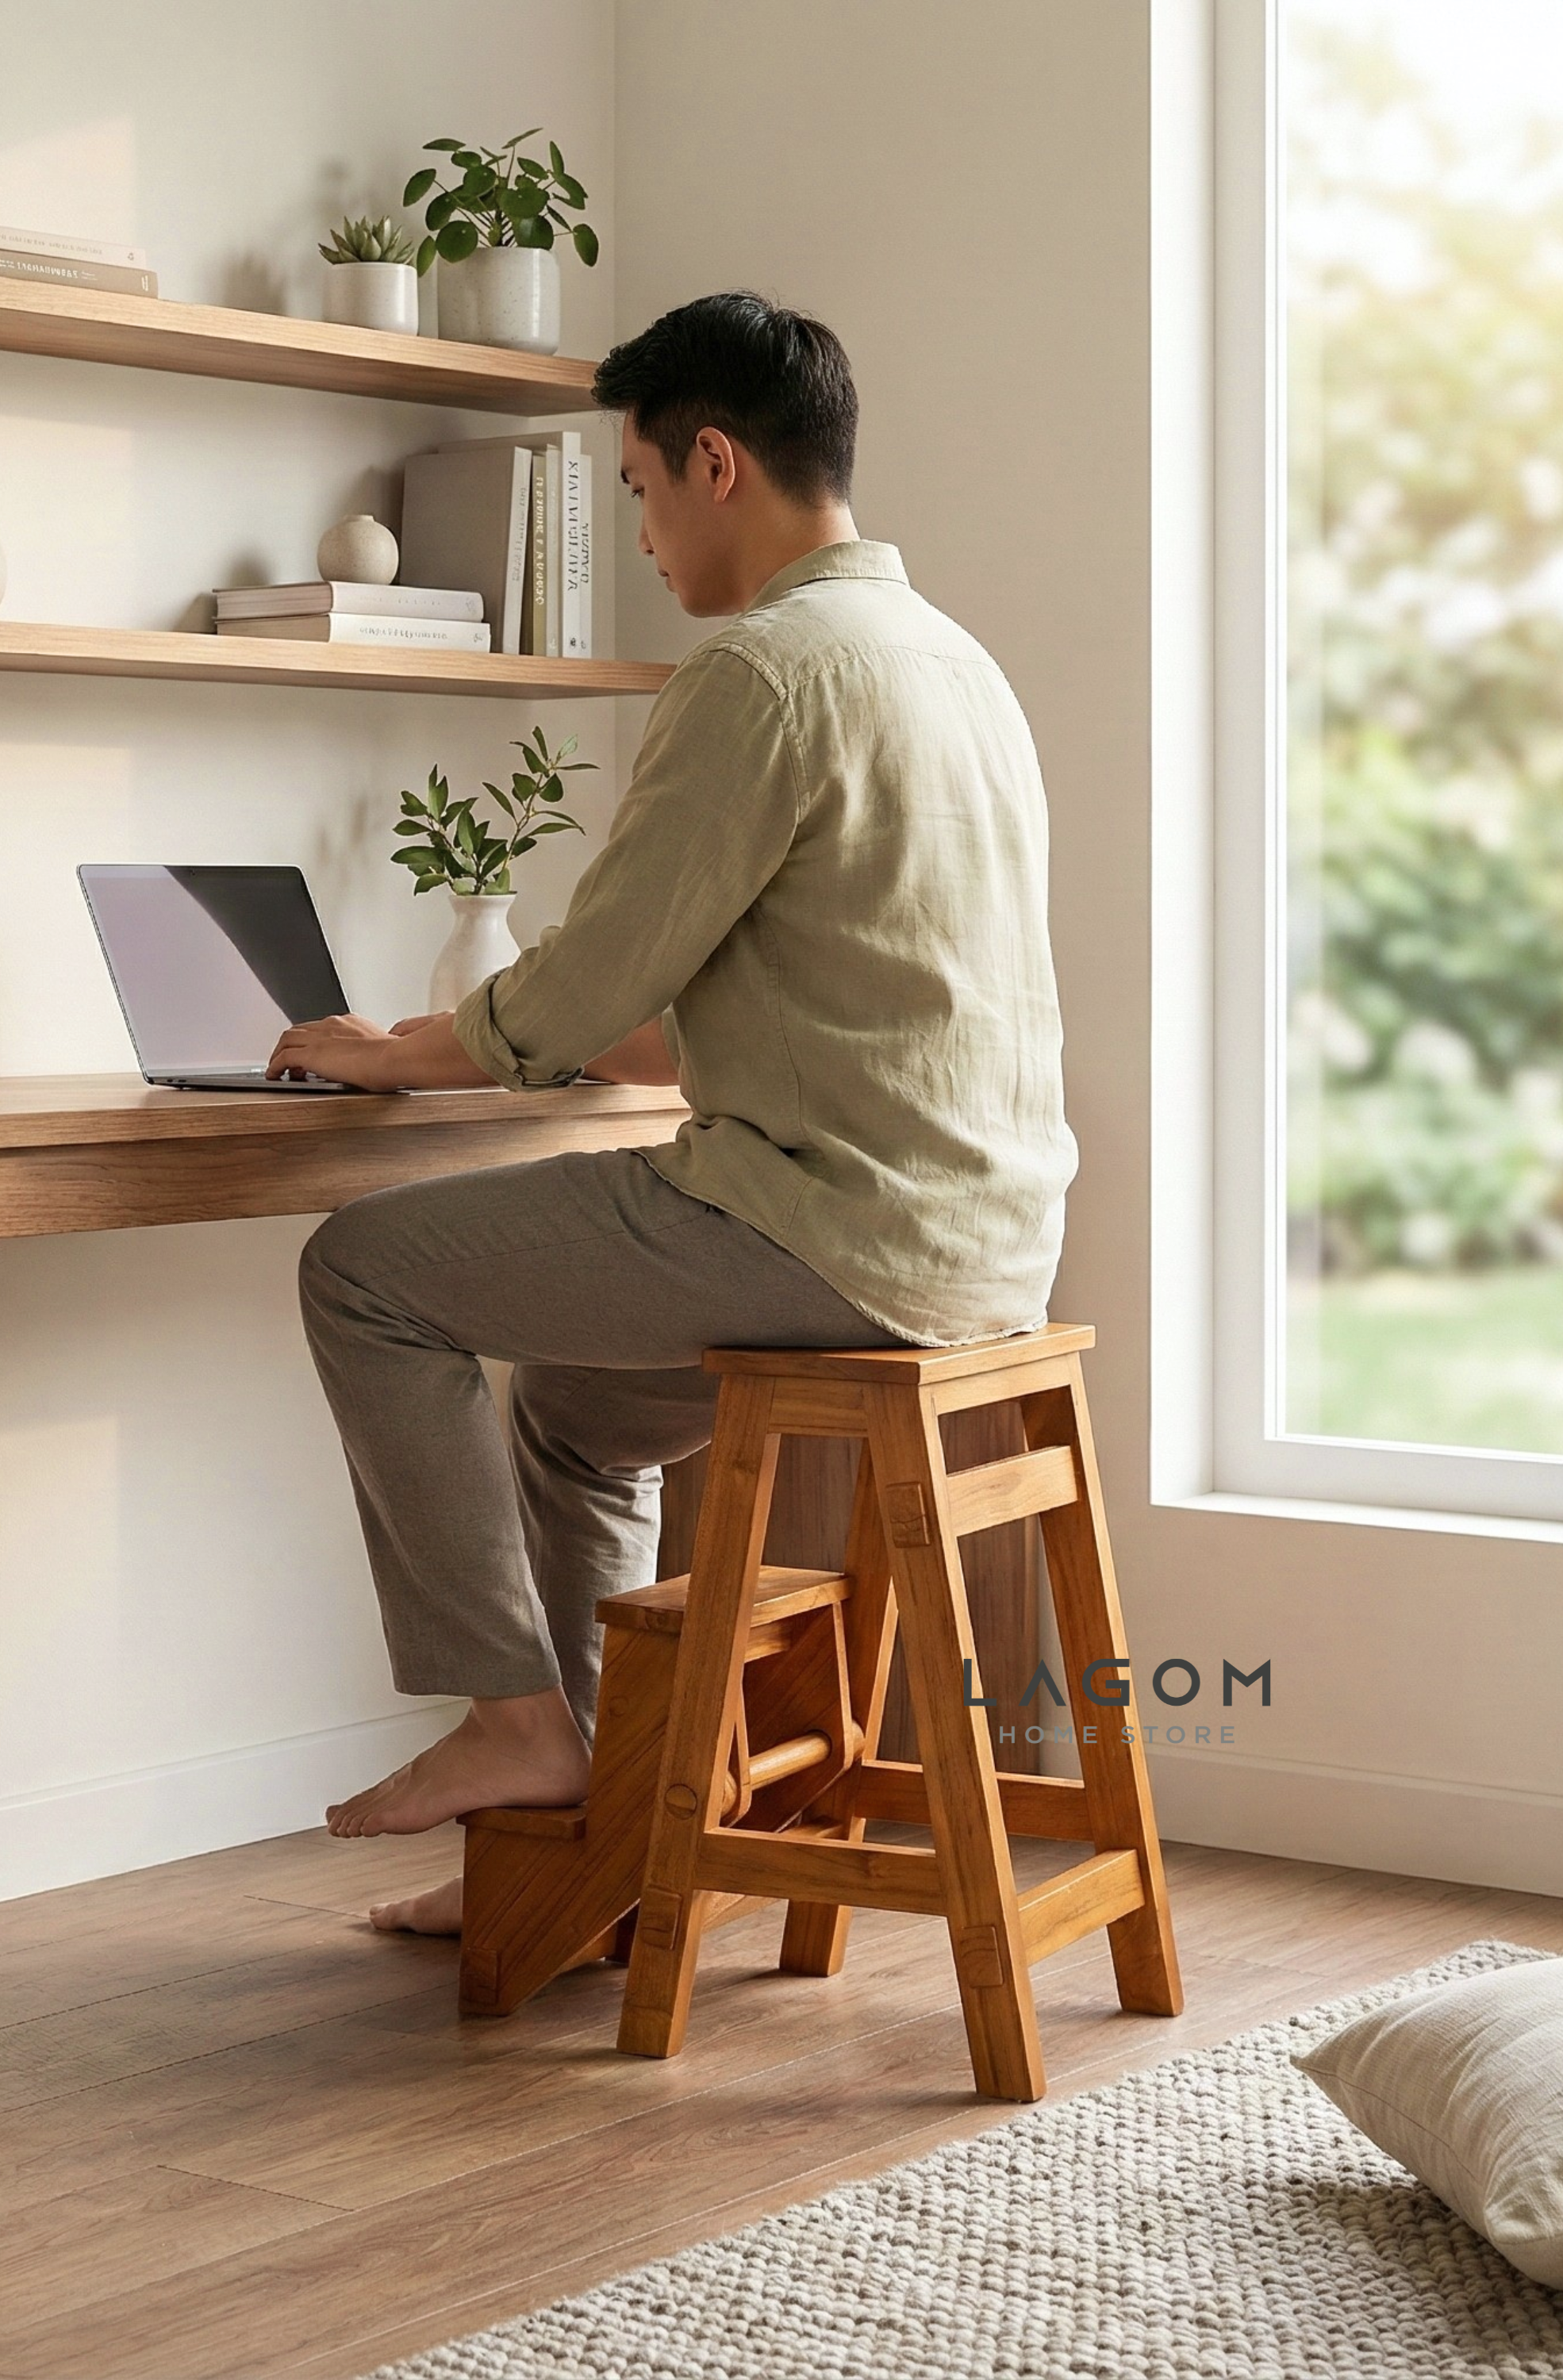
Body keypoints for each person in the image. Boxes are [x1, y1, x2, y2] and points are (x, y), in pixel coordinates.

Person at [268, 291, 1077, 1936]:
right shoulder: (952, 665)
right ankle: (592, 1845)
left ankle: (512, 1726)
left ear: (715, 462)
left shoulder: (767, 675)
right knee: (573, 1416)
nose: (641, 530)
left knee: (359, 1270)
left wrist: (393, 1048)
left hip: (832, 1228)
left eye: (637, 488)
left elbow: (566, 1004)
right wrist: (501, 1041)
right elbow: (758, 994)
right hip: (981, 1238)